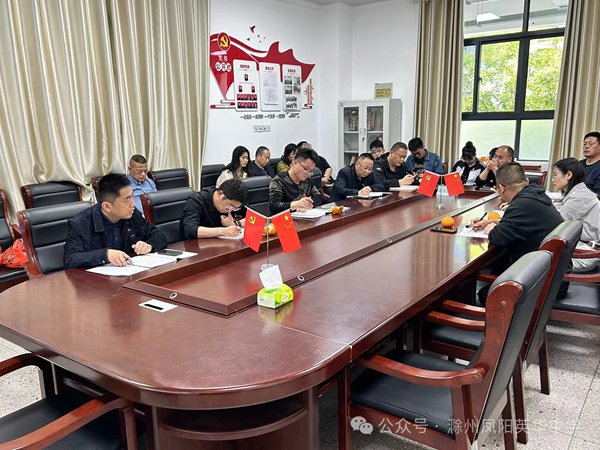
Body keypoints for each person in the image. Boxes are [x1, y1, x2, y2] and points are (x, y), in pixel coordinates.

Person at [64, 173, 167, 269]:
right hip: (97, 279)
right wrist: (105, 254)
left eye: (132, 197)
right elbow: (70, 259)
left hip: (131, 273)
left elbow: (158, 235)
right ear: (107, 206)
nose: (133, 204)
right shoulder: (81, 223)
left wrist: (149, 245)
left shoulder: (132, 214)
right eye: (126, 200)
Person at [472, 162, 563, 262]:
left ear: (501, 188)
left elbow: (498, 238)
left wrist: (491, 229)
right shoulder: (535, 194)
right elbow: (517, 223)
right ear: (526, 181)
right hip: (550, 261)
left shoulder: (521, 204)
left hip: (537, 265)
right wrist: (489, 222)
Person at [552, 157, 600, 272]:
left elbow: (558, 222)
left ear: (568, 175)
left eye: (555, 174)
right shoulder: (577, 192)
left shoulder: (580, 196)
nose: (552, 179)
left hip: (585, 254)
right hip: (578, 247)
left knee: (537, 260)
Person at [179, 179, 248, 239]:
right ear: (220, 194)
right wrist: (224, 231)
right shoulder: (196, 201)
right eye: (230, 205)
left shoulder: (235, 202)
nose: (230, 210)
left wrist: (236, 223)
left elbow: (252, 216)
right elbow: (190, 230)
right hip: (195, 245)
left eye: (235, 208)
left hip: (222, 243)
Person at [269, 149, 323, 214]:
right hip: (286, 219)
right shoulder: (278, 181)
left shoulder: (307, 180)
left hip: (304, 217)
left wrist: (307, 204)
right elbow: (274, 207)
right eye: (306, 169)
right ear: (295, 163)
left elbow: (319, 197)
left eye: (311, 171)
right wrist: (295, 205)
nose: (308, 173)